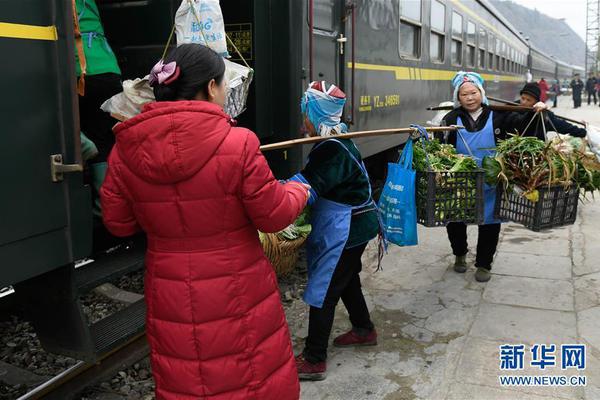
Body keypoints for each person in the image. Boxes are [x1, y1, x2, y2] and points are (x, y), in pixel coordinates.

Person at [100, 44, 310, 400]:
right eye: (224, 84)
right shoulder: (239, 143)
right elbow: (273, 216)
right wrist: (298, 192)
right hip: (238, 287)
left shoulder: (125, 149)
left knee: (187, 378)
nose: (226, 91)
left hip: (169, 289)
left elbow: (118, 224)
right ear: (211, 87)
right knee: (249, 376)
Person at [290, 81, 380, 381]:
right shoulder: (340, 137)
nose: (302, 120)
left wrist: (274, 190)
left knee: (325, 288)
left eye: (305, 113)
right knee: (347, 278)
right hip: (355, 222)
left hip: (347, 228)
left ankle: (314, 358)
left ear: (315, 115)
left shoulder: (331, 148)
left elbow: (309, 185)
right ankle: (364, 329)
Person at [440, 72, 547, 283]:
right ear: (457, 98)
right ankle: (459, 253)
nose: (470, 98)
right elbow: (442, 148)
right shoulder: (451, 119)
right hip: (461, 179)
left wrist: (537, 112)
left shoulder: (498, 115)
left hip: (492, 178)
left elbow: (522, 126)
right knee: (455, 220)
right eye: (464, 95)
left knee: (490, 221)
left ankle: (483, 263)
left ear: (481, 93)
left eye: (473, 93)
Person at [74, 0, 123, 217]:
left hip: (77, 68)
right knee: (104, 142)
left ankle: (78, 140)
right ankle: (105, 211)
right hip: (107, 68)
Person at [518, 83, 587, 137]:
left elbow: (563, 126)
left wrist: (583, 132)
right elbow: (518, 122)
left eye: (528, 100)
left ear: (536, 102)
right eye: (523, 98)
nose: (524, 102)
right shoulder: (512, 109)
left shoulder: (543, 114)